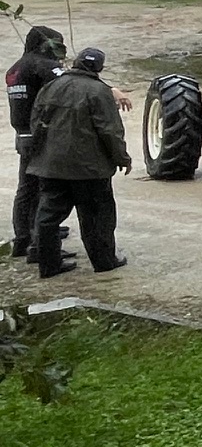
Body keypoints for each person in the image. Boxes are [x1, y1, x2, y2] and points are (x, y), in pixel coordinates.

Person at [25, 46, 130, 278]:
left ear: (75, 63)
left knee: (47, 217)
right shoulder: (99, 91)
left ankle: (48, 266)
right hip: (89, 169)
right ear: (99, 68)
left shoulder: (50, 87)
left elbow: (36, 122)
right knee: (96, 217)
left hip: (51, 166)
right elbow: (110, 131)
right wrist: (122, 158)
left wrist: (40, 155)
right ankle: (104, 262)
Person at [6, 25, 67, 264]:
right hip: (41, 134)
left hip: (22, 134)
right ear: (46, 45)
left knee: (26, 188)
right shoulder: (42, 65)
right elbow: (70, 85)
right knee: (45, 188)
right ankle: (40, 242)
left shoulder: (16, 68)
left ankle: (23, 237)